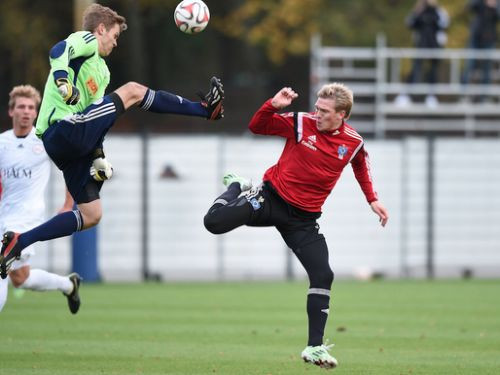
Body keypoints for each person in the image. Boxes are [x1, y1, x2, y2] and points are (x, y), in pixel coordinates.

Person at [0, 3, 224, 277]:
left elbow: (96, 118)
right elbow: (58, 51)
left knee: (91, 214)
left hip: (70, 143)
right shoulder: (87, 41)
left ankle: (19, 241)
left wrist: (98, 156)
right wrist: (62, 81)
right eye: (115, 36)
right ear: (102, 29)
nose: (116, 43)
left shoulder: (102, 73)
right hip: (61, 129)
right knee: (132, 91)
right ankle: (203, 110)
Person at [203, 84, 389, 369]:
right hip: (269, 199)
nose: (317, 114)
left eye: (324, 111)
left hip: (303, 220)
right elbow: (257, 126)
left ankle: (314, 348)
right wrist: (273, 105)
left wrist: (373, 199)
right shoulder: (302, 123)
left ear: (342, 115)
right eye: (317, 107)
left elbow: (360, 165)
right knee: (213, 223)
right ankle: (237, 187)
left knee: (323, 274)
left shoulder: (353, 142)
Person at [0, 85, 80, 314]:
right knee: (20, 278)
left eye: (30, 107)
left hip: (26, 220)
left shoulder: (44, 141)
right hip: (4, 216)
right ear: (11, 111)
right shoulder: (2, 142)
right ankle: (68, 284)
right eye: (21, 107)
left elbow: (70, 168)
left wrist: (68, 204)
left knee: (1, 265)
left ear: (36, 113)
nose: (26, 111)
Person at [395, 0, 449, 107]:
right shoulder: (419, 10)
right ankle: (406, 96)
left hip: (434, 45)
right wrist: (418, 11)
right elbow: (410, 23)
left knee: (433, 71)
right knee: (415, 70)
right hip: (420, 45)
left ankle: (431, 96)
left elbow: (444, 24)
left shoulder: (439, 11)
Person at [462, 0, 500, 87]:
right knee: (469, 64)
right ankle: (463, 92)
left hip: (489, 38)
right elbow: (470, 6)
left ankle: (484, 95)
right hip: (476, 37)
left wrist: (494, 6)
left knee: (487, 68)